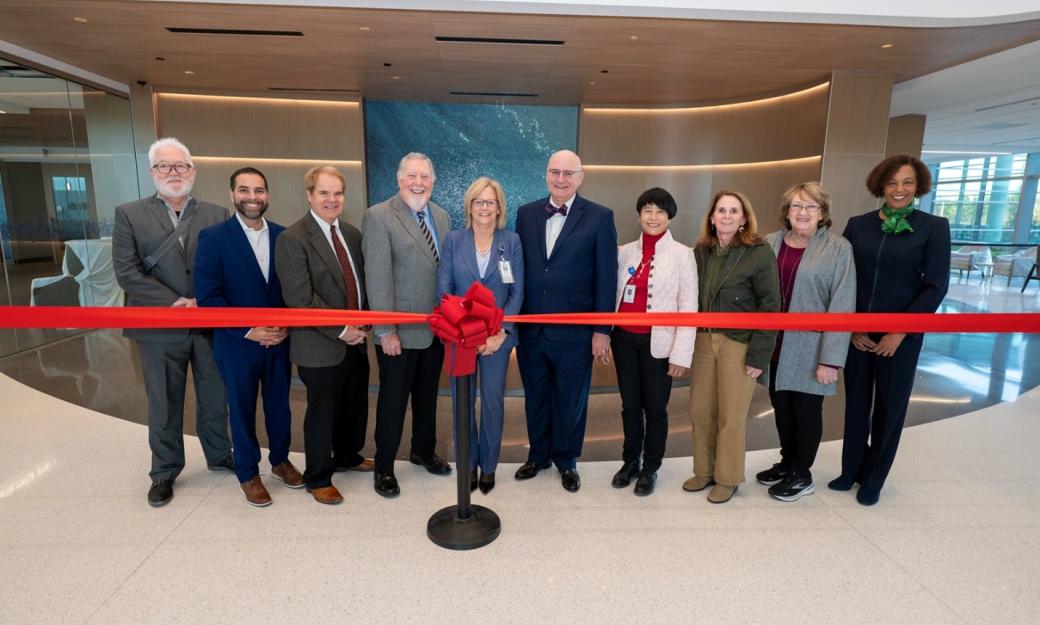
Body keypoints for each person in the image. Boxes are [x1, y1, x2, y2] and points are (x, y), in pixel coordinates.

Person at [112, 137, 233, 508]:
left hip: (209, 323)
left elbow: (227, 268)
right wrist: (173, 301)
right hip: (159, 327)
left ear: (193, 171)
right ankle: (164, 471)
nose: (173, 173)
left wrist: (205, 300)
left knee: (216, 396)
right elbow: (126, 272)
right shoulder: (129, 213)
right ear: (152, 172)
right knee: (163, 401)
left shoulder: (216, 214)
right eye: (164, 166)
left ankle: (218, 454)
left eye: (181, 166)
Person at [831, 155, 950, 506]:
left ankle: (874, 477)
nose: (899, 189)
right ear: (880, 186)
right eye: (892, 183)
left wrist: (900, 331)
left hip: (902, 337)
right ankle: (850, 468)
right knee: (855, 405)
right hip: (858, 334)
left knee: (889, 406)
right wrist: (851, 326)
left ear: (919, 186)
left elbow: (935, 286)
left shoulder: (934, 227)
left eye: (908, 182)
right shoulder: (858, 224)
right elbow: (844, 278)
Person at [194, 167, 303, 507]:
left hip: (278, 342)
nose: (252, 197)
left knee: (279, 407)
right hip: (237, 343)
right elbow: (208, 297)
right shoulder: (213, 238)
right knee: (240, 409)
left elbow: (291, 289)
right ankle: (247, 472)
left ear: (267, 195)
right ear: (232, 195)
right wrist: (248, 330)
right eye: (244, 190)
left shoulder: (284, 236)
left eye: (258, 190)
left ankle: (281, 460)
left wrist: (284, 327)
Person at [514, 149, 617, 493]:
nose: (561, 179)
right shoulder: (525, 214)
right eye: (555, 172)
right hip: (532, 328)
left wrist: (602, 329)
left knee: (571, 398)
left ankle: (567, 459)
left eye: (568, 173)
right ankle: (538, 454)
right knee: (536, 395)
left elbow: (606, 277)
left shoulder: (600, 217)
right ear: (546, 174)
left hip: (576, 332)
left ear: (580, 177)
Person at [275, 166, 372, 506]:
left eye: (337, 193)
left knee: (354, 403)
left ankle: (347, 454)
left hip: (357, 341)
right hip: (320, 345)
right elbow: (300, 299)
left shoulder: (352, 234)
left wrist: (365, 325)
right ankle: (317, 477)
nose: (332, 200)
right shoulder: (293, 238)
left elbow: (360, 285)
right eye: (324, 193)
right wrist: (343, 330)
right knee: (322, 412)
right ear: (309, 195)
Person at [757, 182, 856, 502]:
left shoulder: (839, 248)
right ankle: (788, 461)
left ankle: (802, 473)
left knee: (806, 412)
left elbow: (842, 303)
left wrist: (832, 359)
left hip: (812, 349)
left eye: (811, 207)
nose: (803, 212)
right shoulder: (769, 243)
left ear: (822, 213)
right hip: (775, 346)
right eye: (796, 206)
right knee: (781, 408)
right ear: (786, 212)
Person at [363, 153, 453, 498]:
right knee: (393, 401)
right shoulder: (379, 216)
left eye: (425, 176)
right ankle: (384, 466)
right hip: (397, 333)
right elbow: (378, 276)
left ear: (433, 181)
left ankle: (423, 451)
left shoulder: (442, 216)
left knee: (428, 398)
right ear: (399, 179)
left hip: (435, 331)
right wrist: (385, 330)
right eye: (412, 175)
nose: (419, 182)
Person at [683, 190, 780, 504]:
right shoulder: (700, 251)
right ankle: (704, 470)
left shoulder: (758, 251)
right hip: (701, 340)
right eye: (721, 210)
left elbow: (770, 305)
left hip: (738, 342)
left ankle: (727, 477)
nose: (726, 216)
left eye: (733, 211)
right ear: (712, 217)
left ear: (743, 218)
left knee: (731, 415)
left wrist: (759, 355)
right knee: (701, 411)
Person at [436, 177, 524, 495]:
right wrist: (465, 334)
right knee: (462, 404)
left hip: (497, 341)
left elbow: (516, 292)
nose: (484, 208)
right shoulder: (454, 240)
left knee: (492, 403)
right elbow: (444, 290)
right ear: (469, 206)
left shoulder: (510, 241)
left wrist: (501, 333)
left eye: (490, 202)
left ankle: (488, 466)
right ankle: (468, 464)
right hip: (460, 339)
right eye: (478, 201)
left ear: (499, 207)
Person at [611, 187, 697, 496]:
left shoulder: (682, 255)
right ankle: (630, 460)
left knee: (656, 409)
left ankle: (651, 467)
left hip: (660, 346)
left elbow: (689, 308)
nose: (653, 217)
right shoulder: (625, 252)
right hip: (624, 342)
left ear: (669, 216)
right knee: (630, 406)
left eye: (660, 211)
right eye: (647, 210)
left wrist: (681, 355)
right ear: (638, 215)